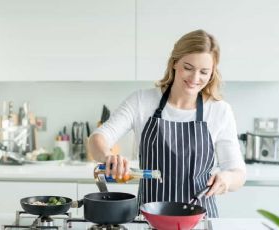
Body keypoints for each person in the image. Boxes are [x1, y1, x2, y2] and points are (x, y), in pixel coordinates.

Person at [88, 29, 246, 217]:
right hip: (149, 220)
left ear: (212, 73)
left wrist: (226, 179)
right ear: (174, 63)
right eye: (188, 68)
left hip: (200, 221)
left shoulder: (220, 111)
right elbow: (97, 139)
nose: (195, 78)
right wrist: (108, 157)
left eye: (204, 72)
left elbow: (238, 173)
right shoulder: (142, 101)